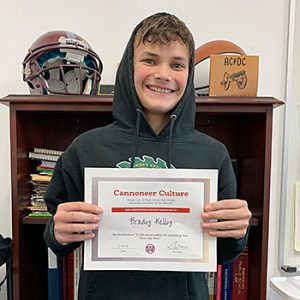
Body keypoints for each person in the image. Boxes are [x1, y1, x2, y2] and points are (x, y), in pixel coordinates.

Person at [44, 12, 252, 299]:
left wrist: (238, 230)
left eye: (177, 64)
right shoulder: (85, 149)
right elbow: (57, 239)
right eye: (150, 60)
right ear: (129, 67)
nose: (163, 74)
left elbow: (224, 252)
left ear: (189, 74)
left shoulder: (213, 155)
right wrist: (58, 230)